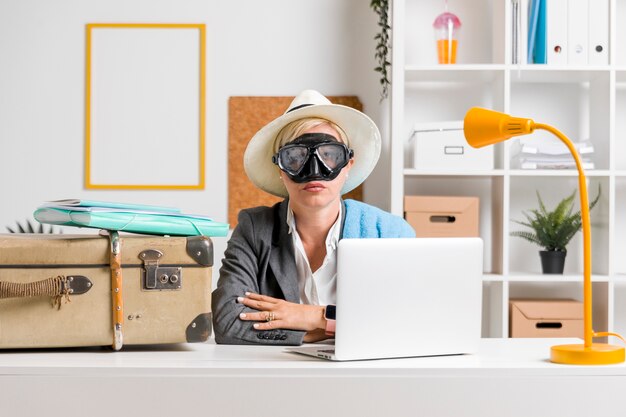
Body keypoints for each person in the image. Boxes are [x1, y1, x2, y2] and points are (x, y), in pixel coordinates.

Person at [212, 90, 415, 345]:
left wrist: (313, 316)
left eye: (329, 155)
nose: (315, 170)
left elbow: (408, 318)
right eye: (295, 158)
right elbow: (227, 323)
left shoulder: (389, 232)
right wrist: (326, 329)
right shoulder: (254, 230)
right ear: (281, 170)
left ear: (348, 165)